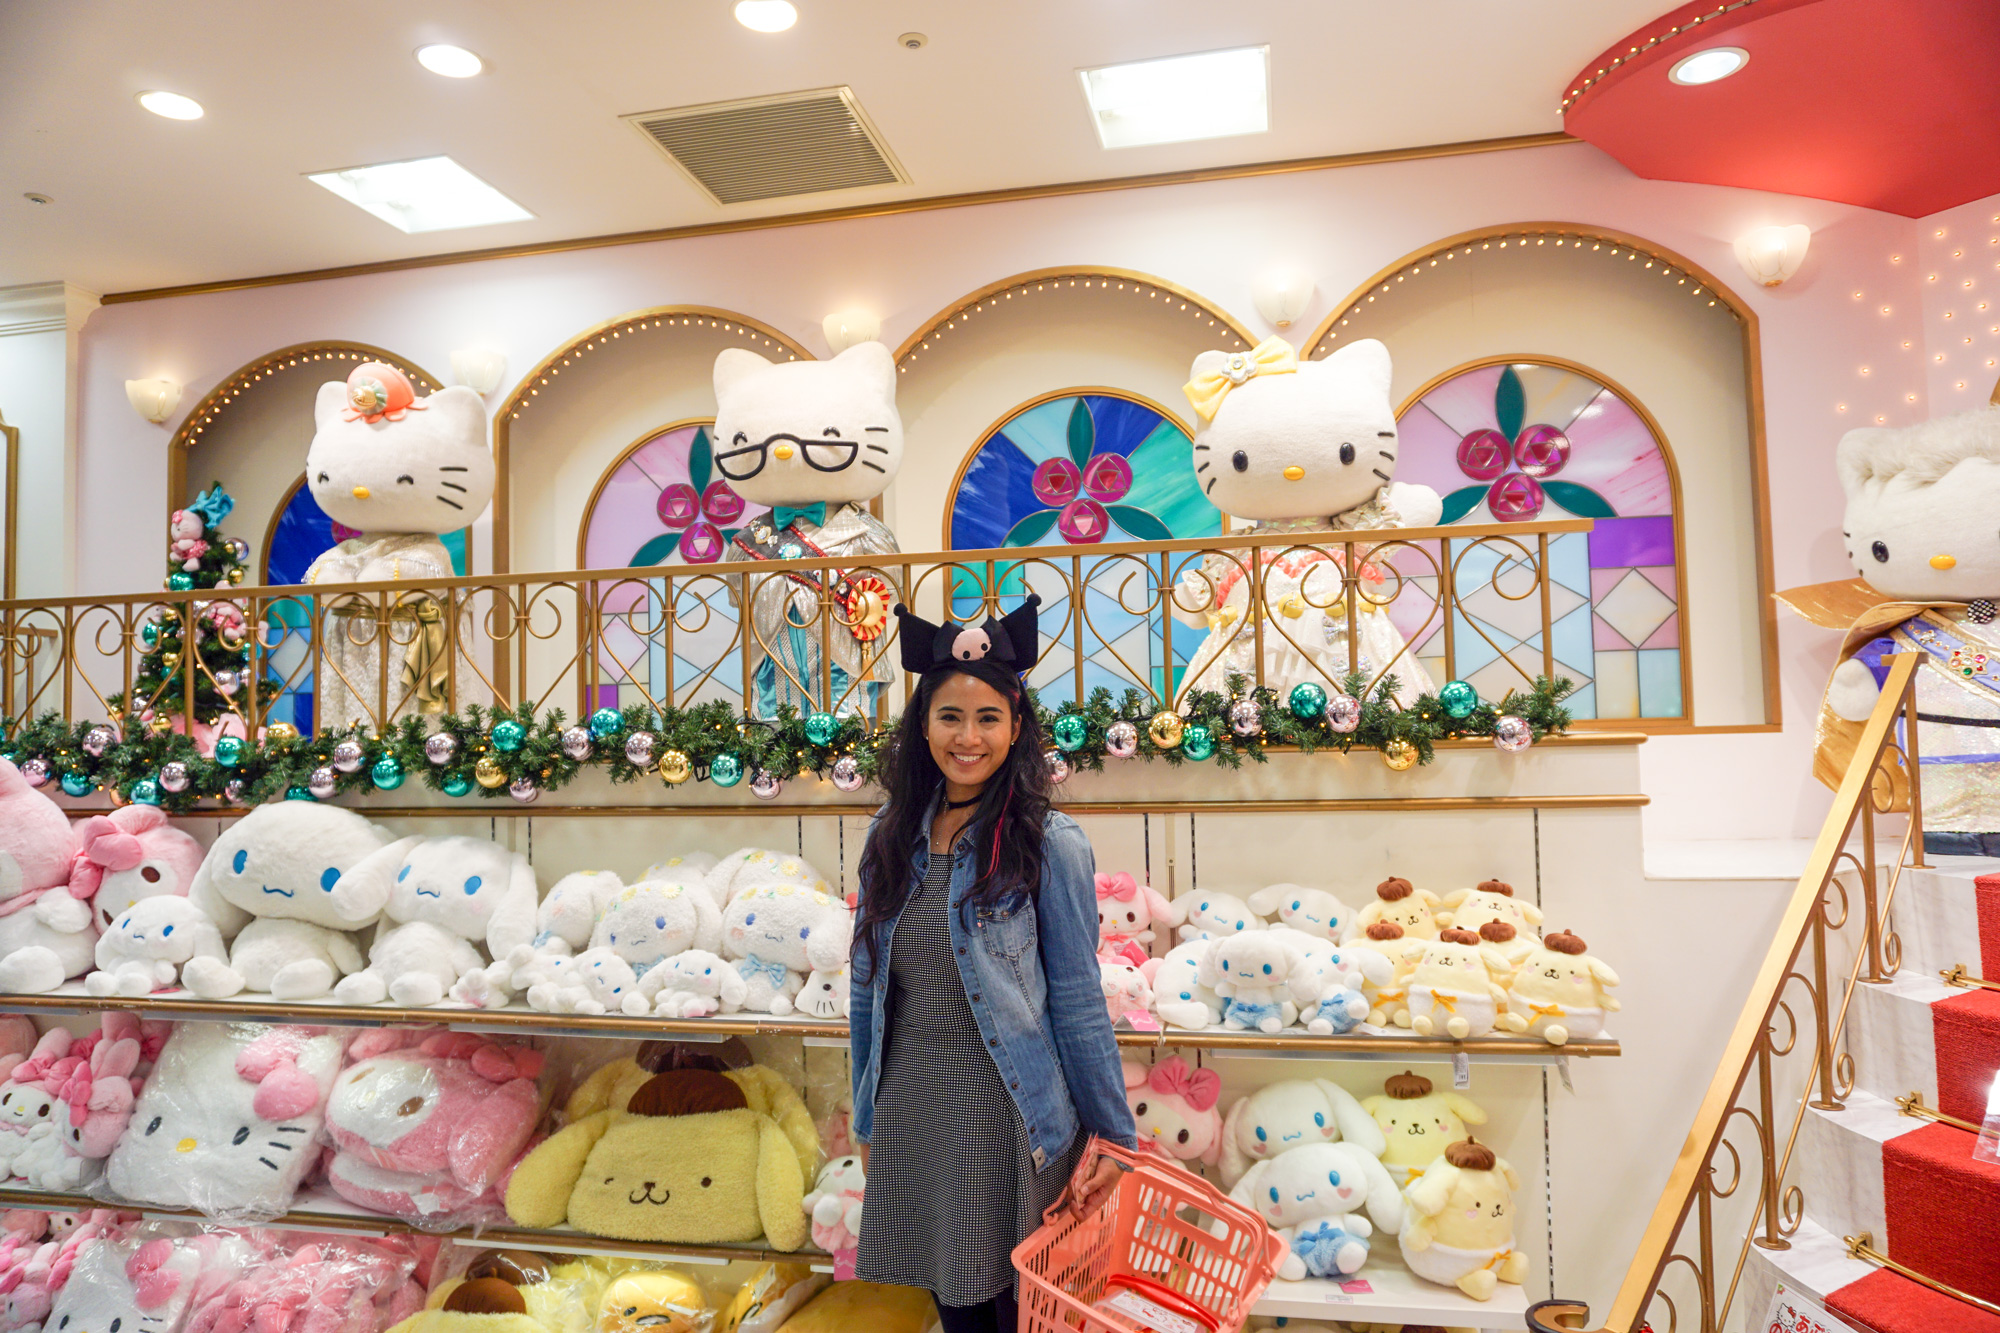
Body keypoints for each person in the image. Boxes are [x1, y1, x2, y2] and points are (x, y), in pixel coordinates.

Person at [850, 594, 1136, 1333]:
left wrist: (1113, 1139)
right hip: (914, 1104)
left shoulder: (1049, 841)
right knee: (957, 1308)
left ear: (1015, 728)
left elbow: (1076, 999)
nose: (967, 736)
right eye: (950, 716)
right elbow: (866, 988)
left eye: (987, 718)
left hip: (1011, 1109)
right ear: (923, 725)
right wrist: (865, 1110)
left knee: (1029, 1312)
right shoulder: (890, 833)